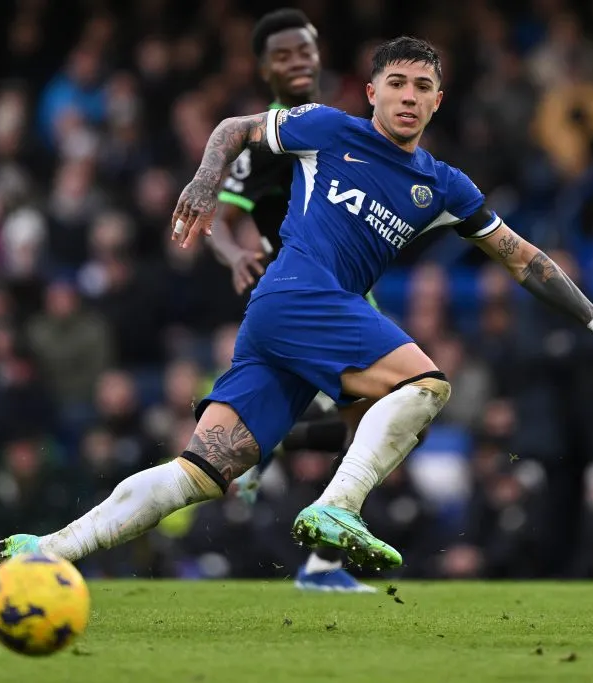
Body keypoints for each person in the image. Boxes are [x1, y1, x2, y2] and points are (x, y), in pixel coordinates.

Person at [0, 36, 593, 573]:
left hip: (281, 320)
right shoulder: (327, 129)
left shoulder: (443, 185)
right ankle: (339, 504)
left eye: (423, 87)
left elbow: (523, 258)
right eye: (397, 82)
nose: (409, 96)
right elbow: (234, 128)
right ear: (372, 92)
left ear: (438, 101)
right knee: (425, 384)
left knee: (199, 471)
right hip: (297, 290)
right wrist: (203, 181)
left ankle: (48, 549)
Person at [208, 7, 375, 592]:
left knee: (389, 423)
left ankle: (271, 445)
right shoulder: (268, 143)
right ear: (263, 69)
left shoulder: (334, 125)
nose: (298, 62)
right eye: (283, 55)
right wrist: (235, 257)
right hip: (304, 295)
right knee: (383, 416)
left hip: (352, 289)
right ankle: (324, 565)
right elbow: (223, 221)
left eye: (304, 50)